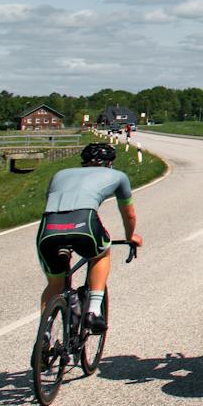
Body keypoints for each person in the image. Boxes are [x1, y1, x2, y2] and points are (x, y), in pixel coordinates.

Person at [36, 142, 142, 333]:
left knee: (55, 283)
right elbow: (130, 215)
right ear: (110, 163)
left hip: (48, 228)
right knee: (101, 253)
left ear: (83, 162)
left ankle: (44, 337)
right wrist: (130, 236)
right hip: (84, 225)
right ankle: (93, 311)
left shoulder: (60, 174)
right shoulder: (118, 176)